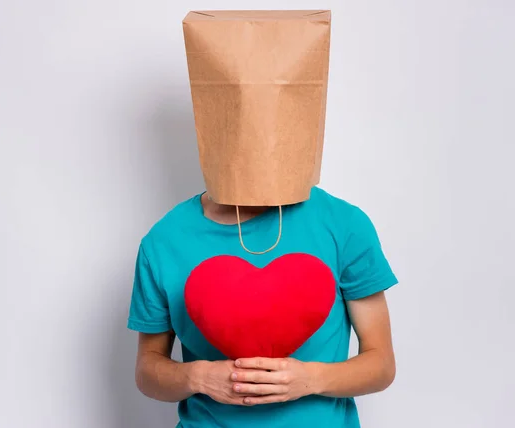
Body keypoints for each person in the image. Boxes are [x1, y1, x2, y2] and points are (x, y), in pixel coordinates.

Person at [127, 9, 398, 427]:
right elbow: (148, 371)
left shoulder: (344, 225)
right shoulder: (164, 241)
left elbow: (381, 364)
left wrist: (310, 379)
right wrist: (199, 376)